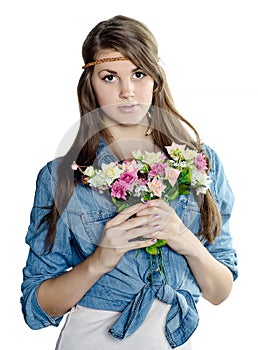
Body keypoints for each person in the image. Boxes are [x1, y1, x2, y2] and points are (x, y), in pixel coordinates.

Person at [20, 15, 238, 350]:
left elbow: (220, 291)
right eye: (110, 77)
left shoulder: (201, 162)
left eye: (138, 74)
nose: (127, 92)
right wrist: (100, 260)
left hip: (173, 339)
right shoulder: (61, 177)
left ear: (155, 78)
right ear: (90, 83)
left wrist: (183, 238)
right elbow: (36, 307)